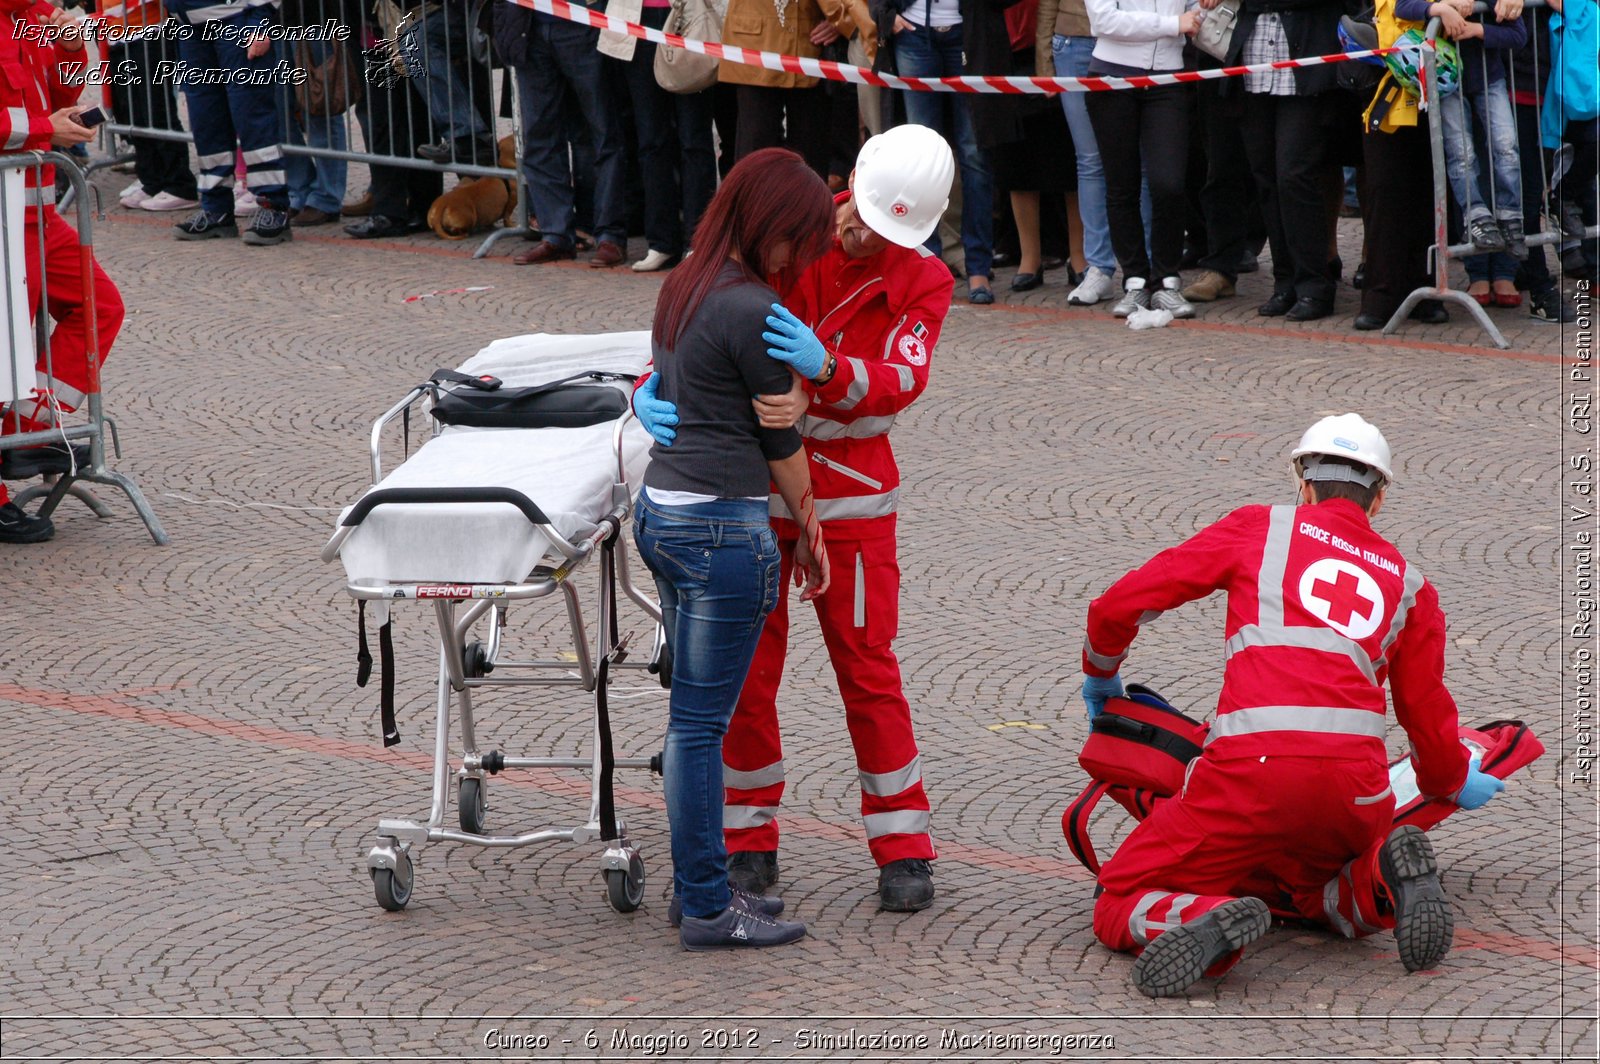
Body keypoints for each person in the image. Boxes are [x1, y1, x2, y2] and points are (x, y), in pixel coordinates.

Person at [635, 124, 956, 912]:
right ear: (851, 182)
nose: (857, 236)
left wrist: (829, 370)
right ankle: (747, 841)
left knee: (869, 671)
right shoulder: (792, 223)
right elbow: (708, 318)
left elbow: (900, 380)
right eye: (859, 219)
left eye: (881, 232)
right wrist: (650, 384)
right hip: (754, 493)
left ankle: (903, 845)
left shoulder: (925, 280)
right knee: (747, 679)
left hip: (851, 507)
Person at [1078, 414, 1504, 998]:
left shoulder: (1260, 528)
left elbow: (1121, 604)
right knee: (1313, 896)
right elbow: (1425, 709)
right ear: (1378, 499)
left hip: (1250, 774)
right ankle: (1383, 875)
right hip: (1356, 793)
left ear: (1304, 484)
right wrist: (1452, 780)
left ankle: (1198, 920)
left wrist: (1101, 674)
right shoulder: (1412, 585)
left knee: (1117, 895)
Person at [633, 148, 834, 951]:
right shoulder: (751, 306)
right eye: (798, 240)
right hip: (722, 529)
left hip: (663, 513)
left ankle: (699, 891)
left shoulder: (683, 282)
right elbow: (779, 432)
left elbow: (675, 385)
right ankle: (711, 907)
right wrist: (812, 532)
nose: (801, 259)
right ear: (769, 224)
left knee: (692, 724)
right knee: (698, 729)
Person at [0, 0, 126, 543]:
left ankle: (26, 432)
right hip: (4, 212)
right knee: (3, 350)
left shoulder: (27, 16)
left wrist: (75, 51)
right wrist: (41, 129)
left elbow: (58, 99)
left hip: (35, 208)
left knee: (101, 306)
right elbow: (31, 121)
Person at [1083, 0, 1199, 319]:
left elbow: (1195, 12)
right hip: (1111, 76)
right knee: (1122, 185)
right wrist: (1172, 25)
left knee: (1169, 183)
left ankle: (1166, 281)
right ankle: (1135, 280)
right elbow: (1104, 21)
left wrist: (1202, 10)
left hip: (1169, 78)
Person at [880, 0, 996, 303]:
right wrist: (885, 15)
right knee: (921, 156)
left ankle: (978, 267)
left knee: (974, 155)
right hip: (913, 32)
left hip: (967, 32)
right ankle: (925, 265)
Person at [165, 0, 294, 245]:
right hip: (190, 28)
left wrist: (260, 22)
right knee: (206, 123)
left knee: (253, 120)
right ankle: (216, 208)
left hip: (237, 21)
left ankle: (273, 205)